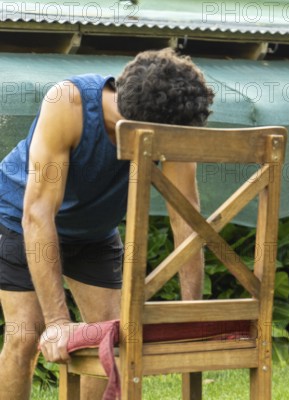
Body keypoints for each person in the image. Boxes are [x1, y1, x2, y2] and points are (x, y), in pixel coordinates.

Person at [0, 48, 214, 400]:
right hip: (19, 218)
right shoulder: (67, 104)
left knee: (111, 341)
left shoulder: (172, 126)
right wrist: (57, 323)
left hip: (94, 232)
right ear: (145, 129)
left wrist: (191, 314)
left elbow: (185, 221)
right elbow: (37, 214)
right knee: (25, 336)